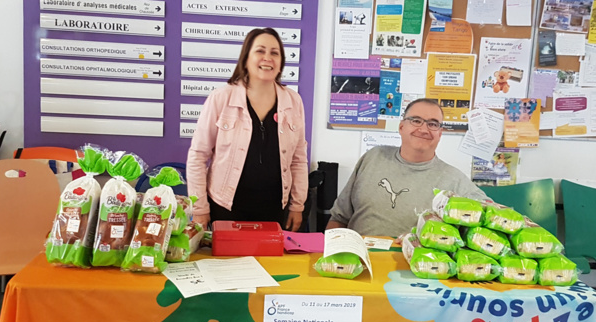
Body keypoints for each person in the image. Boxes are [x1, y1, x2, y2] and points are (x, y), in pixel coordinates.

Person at [186, 28, 308, 231]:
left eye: (275, 53)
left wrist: (298, 205)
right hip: (225, 207)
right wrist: (199, 208)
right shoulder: (221, 98)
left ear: (281, 62)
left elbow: (299, 159)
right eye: (260, 51)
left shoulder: (293, 101)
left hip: (275, 210)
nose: (267, 58)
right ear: (245, 59)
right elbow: (198, 156)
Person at [326, 98, 486, 236]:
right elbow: (339, 218)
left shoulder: (454, 180)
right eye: (416, 121)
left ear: (440, 133)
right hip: (359, 257)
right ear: (401, 127)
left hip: (415, 260)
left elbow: (491, 214)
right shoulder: (373, 157)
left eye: (432, 124)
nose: (423, 129)